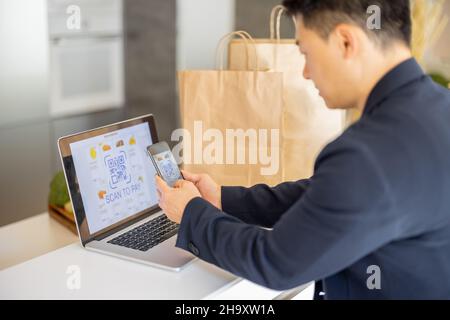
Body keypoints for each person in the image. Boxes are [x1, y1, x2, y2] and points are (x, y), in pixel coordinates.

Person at [155, 0, 450, 299]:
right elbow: (331, 194)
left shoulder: (367, 152)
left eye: (306, 53)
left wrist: (192, 214)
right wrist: (222, 198)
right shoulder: (438, 108)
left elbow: (276, 262)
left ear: (345, 42)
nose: (306, 72)